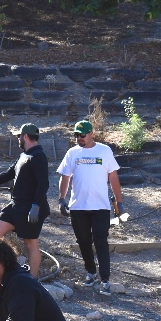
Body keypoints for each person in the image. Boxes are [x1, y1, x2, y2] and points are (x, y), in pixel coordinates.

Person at [56, 120, 124, 293]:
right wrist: (62, 199)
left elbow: (113, 177)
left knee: (101, 241)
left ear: (91, 134)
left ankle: (105, 279)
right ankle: (90, 272)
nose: (79, 138)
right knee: (83, 241)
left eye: (82, 135)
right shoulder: (72, 153)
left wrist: (119, 202)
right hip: (78, 207)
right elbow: (65, 177)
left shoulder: (104, 151)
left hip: (100, 206)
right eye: (76, 135)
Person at [0, 124, 50, 277]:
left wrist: (36, 205)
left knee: (30, 243)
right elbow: (9, 173)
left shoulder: (38, 156)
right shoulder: (24, 155)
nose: (18, 139)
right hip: (16, 205)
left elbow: (43, 184)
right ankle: (9, 268)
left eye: (19, 136)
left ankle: (32, 280)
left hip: (31, 208)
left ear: (25, 136)